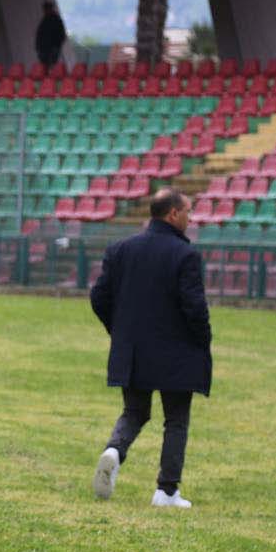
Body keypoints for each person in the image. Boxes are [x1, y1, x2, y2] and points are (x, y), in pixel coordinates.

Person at [89, 189, 212, 508]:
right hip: (177, 352)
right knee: (176, 419)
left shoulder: (120, 249)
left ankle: (114, 450)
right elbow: (195, 307)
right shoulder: (185, 255)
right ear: (173, 214)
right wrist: (202, 340)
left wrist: (120, 331)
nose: (191, 218)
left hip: (133, 350)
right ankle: (166, 491)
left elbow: (99, 297)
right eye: (188, 211)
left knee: (134, 412)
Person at [35, 0, 66, 68]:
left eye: (47, 9)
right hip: (44, 48)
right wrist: (38, 47)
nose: (45, 11)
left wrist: (56, 46)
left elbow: (61, 34)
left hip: (51, 48)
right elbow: (40, 35)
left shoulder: (55, 20)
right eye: (45, 9)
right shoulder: (45, 20)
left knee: (51, 66)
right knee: (46, 66)